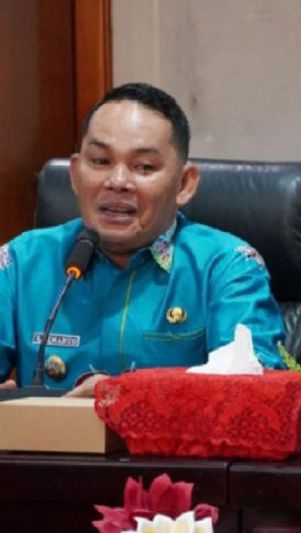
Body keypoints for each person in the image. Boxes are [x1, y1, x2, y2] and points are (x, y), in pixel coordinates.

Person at [0, 83, 285, 396]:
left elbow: (255, 394)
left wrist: (128, 397)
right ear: (75, 174)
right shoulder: (21, 262)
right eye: (100, 161)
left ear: (184, 184)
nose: (117, 181)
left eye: (144, 167)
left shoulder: (228, 268)